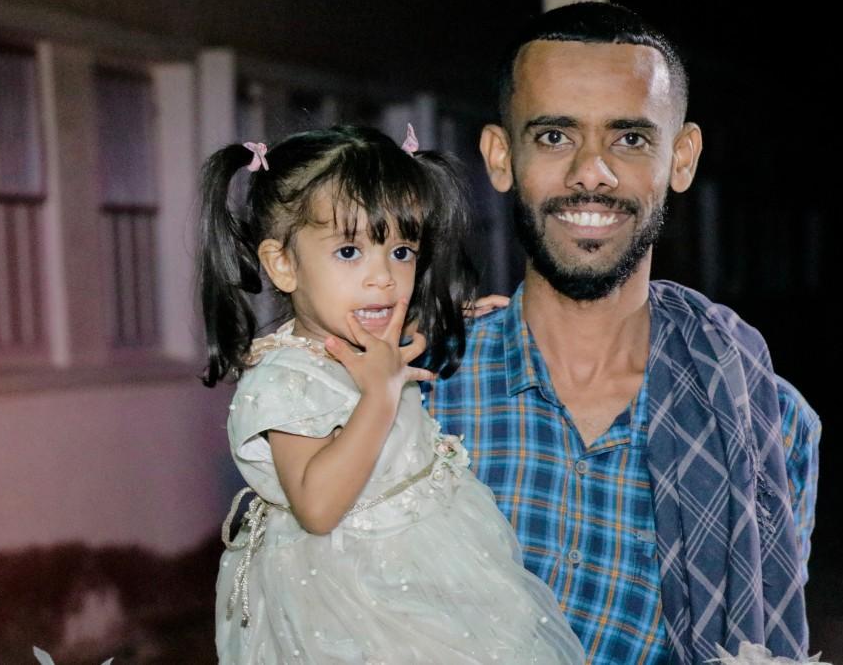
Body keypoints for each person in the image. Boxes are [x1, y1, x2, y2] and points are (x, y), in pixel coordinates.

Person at [422, 2, 822, 665]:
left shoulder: (769, 423)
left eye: (630, 139)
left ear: (681, 158)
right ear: (500, 155)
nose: (592, 173)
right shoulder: (417, 388)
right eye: (555, 136)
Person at [198, 125, 585, 664]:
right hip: (354, 602)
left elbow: (399, 338)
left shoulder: (366, 341)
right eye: (349, 251)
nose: (383, 277)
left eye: (401, 251)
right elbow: (316, 506)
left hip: (433, 563)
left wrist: (454, 315)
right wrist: (379, 398)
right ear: (283, 264)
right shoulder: (285, 379)